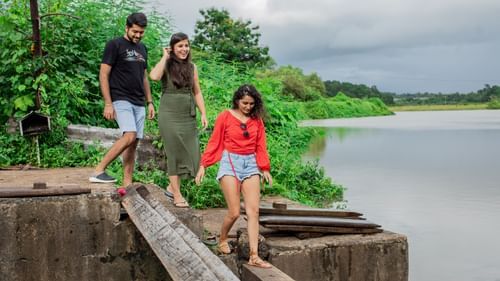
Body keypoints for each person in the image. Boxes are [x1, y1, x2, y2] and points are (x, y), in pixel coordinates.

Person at [195, 84, 273, 269]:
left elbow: (261, 146)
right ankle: (222, 239)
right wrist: (203, 165)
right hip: (230, 162)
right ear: (237, 100)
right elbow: (215, 142)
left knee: (253, 212)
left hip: (251, 164)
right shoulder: (226, 116)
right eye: (244, 103)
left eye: (251, 104)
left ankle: (254, 256)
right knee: (235, 212)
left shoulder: (257, 121)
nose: (248, 107)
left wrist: (265, 168)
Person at [89, 12, 155, 185]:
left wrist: (150, 102)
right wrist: (108, 103)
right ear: (126, 28)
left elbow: (144, 77)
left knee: (133, 143)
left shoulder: (143, 48)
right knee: (129, 136)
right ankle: (98, 170)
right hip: (120, 97)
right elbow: (104, 74)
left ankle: (127, 182)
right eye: (135, 31)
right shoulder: (115, 45)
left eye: (141, 32)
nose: (138, 35)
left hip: (139, 101)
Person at [149, 32, 208, 208]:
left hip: (187, 115)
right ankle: (176, 194)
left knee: (193, 155)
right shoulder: (166, 64)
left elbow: (197, 92)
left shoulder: (192, 67)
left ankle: (170, 186)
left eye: (186, 45)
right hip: (169, 114)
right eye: (180, 46)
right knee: (173, 153)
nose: (184, 49)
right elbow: (153, 76)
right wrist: (164, 57)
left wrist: (203, 113)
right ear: (173, 48)